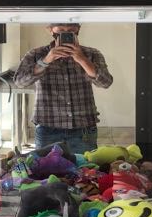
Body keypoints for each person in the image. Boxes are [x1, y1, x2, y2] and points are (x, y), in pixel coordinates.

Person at [14, 23, 113, 153]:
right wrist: (46, 60)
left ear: (78, 29)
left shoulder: (91, 53)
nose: (65, 32)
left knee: (84, 165)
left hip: (83, 127)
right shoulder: (36, 54)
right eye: (60, 29)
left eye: (71, 30)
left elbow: (106, 82)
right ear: (50, 30)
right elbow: (20, 82)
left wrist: (82, 60)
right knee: (46, 166)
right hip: (48, 127)